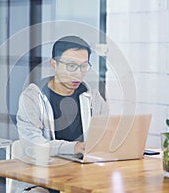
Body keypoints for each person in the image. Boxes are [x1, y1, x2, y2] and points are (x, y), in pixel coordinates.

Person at [16, 35, 109, 192]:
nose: (78, 73)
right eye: (71, 66)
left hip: (83, 177)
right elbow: (32, 144)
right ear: (54, 64)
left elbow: (107, 134)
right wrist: (75, 148)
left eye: (84, 66)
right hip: (42, 181)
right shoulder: (32, 97)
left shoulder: (92, 97)